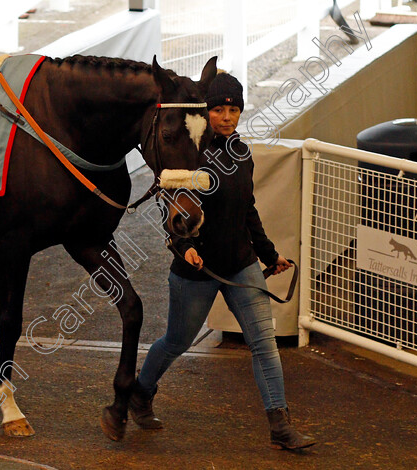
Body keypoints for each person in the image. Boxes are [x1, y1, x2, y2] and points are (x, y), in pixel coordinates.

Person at [130, 73, 316, 450]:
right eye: (218, 110)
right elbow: (170, 209)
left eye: (233, 109)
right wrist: (184, 248)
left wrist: (268, 253)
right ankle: (140, 393)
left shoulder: (242, 154)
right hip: (196, 270)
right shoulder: (190, 153)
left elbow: (247, 209)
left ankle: (280, 425)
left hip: (241, 264)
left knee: (264, 343)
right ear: (205, 113)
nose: (227, 117)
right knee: (176, 341)